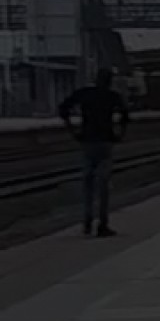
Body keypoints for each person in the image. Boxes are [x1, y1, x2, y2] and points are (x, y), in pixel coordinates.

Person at [60, 68, 128, 238]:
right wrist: (119, 134)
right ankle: (102, 224)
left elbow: (63, 108)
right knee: (103, 185)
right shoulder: (113, 96)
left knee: (88, 182)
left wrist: (73, 130)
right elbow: (125, 116)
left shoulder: (85, 94)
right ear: (110, 80)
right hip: (105, 143)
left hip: (87, 142)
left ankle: (87, 221)